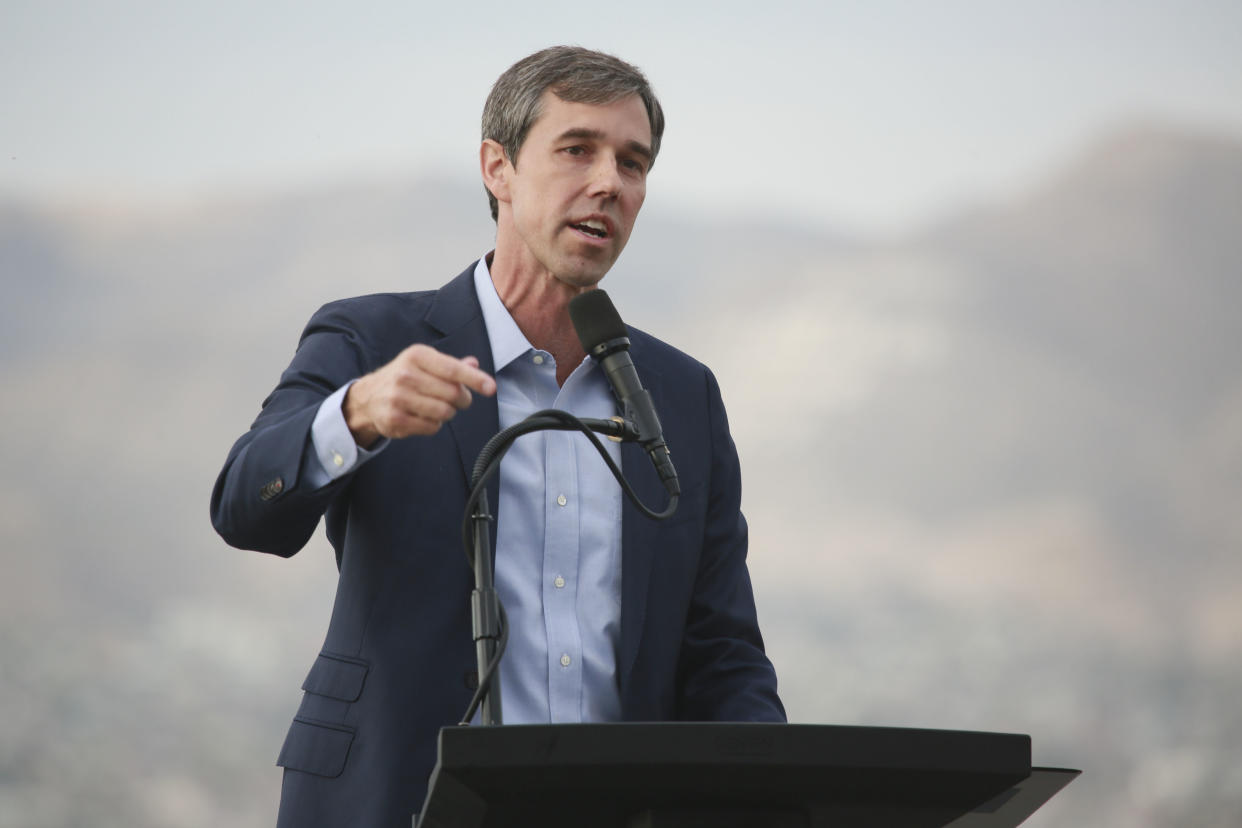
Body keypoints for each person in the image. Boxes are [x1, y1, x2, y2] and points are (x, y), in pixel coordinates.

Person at [210, 46, 784, 827]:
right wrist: (356, 413)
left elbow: (724, 654)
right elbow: (245, 507)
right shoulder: (372, 338)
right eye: (577, 149)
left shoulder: (683, 396)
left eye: (633, 162)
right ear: (498, 168)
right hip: (395, 804)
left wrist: (777, 793)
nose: (610, 182)